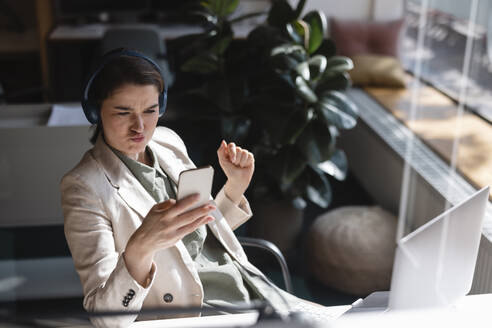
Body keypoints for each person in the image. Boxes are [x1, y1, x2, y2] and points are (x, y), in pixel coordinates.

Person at [61, 49, 319, 328]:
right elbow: (104, 315)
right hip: (200, 312)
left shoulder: (168, 141)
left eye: (150, 110)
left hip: (251, 291)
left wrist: (234, 188)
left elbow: (197, 238)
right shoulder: (83, 188)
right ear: (95, 111)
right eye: (123, 112)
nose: (140, 127)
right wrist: (141, 247)